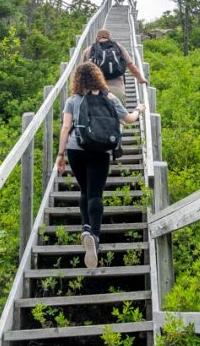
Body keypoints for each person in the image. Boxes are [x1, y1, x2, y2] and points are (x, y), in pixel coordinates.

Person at [55, 62, 146, 269]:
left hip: (75, 149)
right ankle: (94, 236)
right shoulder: (110, 98)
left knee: (84, 191)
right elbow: (129, 119)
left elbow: (65, 128)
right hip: (101, 149)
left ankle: (86, 229)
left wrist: (60, 155)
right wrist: (139, 109)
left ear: (77, 79)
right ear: (98, 77)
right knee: (96, 194)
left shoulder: (73, 100)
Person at [82, 29, 149, 105]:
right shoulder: (118, 47)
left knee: (96, 115)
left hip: (95, 91)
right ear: (110, 38)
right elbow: (132, 67)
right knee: (119, 115)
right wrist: (141, 79)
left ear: (96, 38)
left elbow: (81, 73)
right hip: (117, 90)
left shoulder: (88, 50)